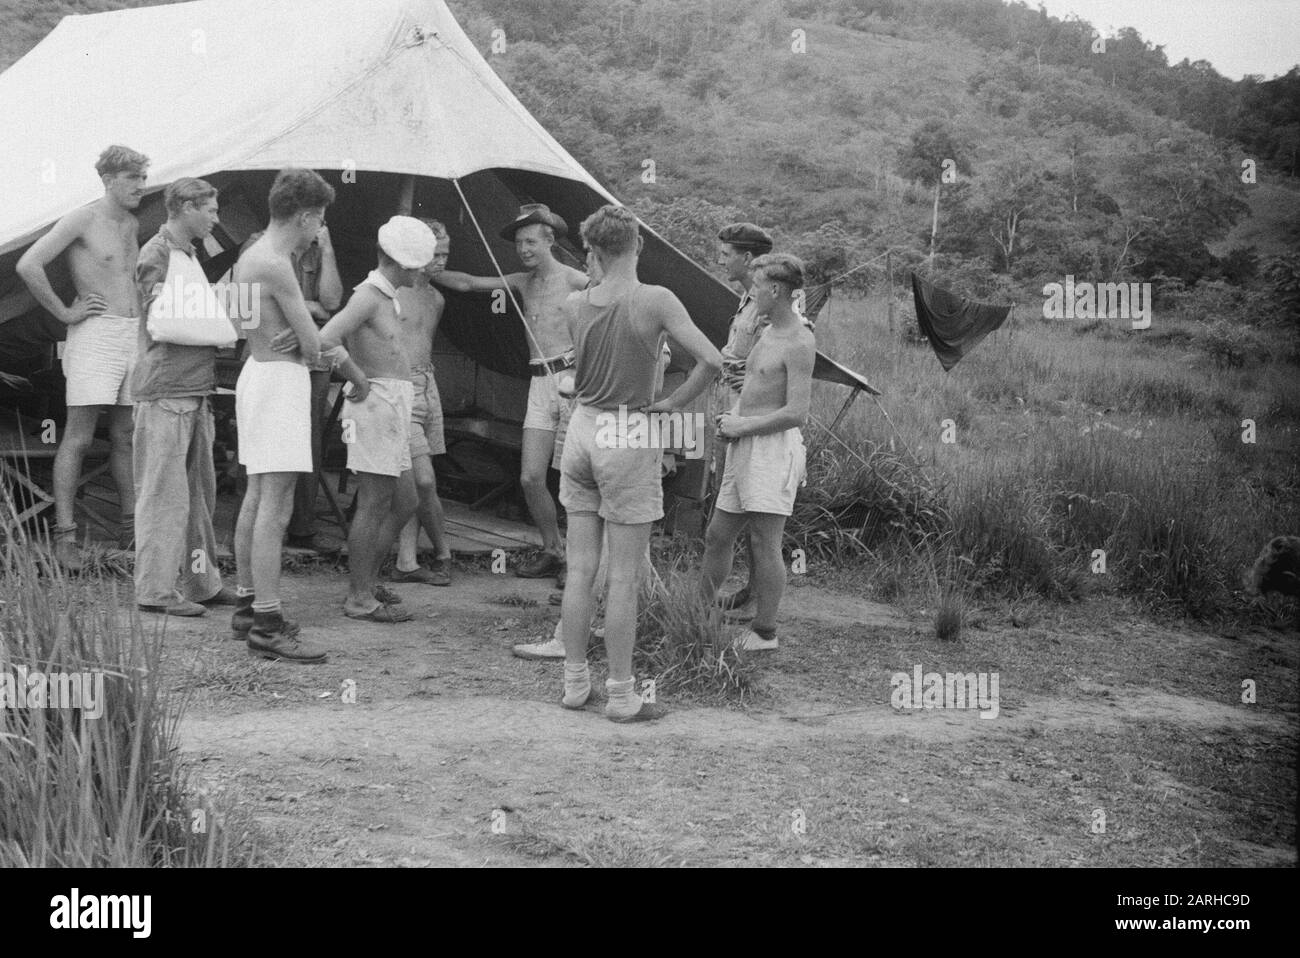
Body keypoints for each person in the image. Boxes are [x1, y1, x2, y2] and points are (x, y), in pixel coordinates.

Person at [557, 204, 721, 722]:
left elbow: (574, 372)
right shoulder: (654, 299)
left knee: (580, 568)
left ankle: (575, 683)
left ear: (595, 251)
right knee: (623, 576)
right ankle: (623, 694)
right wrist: (674, 405)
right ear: (637, 246)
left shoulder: (574, 303)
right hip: (627, 429)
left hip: (583, 427)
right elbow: (713, 361)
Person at [231, 168, 355, 663]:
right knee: (276, 506)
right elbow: (314, 346)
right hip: (279, 381)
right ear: (304, 216)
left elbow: (243, 320)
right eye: (319, 219)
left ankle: (246, 606)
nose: (319, 229)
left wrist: (299, 332)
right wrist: (309, 341)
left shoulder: (250, 256)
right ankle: (267, 621)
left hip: (256, 373)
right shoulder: (278, 264)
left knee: (258, 497)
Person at [432, 204, 587, 586]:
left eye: (531, 241)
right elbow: (469, 283)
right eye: (519, 243)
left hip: (572, 382)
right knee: (531, 477)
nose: (524, 249)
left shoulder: (577, 281)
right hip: (539, 382)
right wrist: (428, 271)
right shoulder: (522, 281)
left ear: (550, 240)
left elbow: (610, 315)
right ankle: (553, 550)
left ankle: (580, 563)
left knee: (574, 478)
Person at [16, 145, 149, 570]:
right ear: (109, 180)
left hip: (133, 334)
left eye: (144, 178)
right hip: (96, 333)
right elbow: (29, 264)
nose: (141, 187)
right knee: (78, 435)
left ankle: (132, 531)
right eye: (133, 179)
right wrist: (65, 313)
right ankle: (66, 537)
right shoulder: (82, 217)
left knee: (127, 435)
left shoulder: (131, 223)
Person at [317, 216, 437, 623]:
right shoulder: (368, 296)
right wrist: (357, 378)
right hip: (378, 403)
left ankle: (366, 578)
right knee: (373, 501)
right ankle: (359, 596)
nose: (420, 271)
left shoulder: (389, 296)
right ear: (399, 263)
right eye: (416, 265)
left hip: (394, 403)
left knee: (405, 499)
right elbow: (326, 339)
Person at [131, 177, 238, 616]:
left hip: (194, 389)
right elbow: (160, 322)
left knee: (198, 495)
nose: (215, 218)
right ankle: (155, 590)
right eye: (210, 210)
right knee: (163, 494)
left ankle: (200, 582)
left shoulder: (187, 255)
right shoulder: (157, 253)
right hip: (167, 391)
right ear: (187, 207)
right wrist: (222, 331)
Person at [699, 254, 815, 651]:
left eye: (758, 285)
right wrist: (733, 418)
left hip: (771, 450)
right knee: (718, 534)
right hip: (743, 442)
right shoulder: (766, 329)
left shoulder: (800, 341)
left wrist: (743, 426)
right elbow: (758, 386)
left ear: (776, 290)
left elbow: (797, 412)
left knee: (765, 541)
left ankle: (766, 632)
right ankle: (700, 614)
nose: (752, 292)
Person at [241, 221, 342, 551]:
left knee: (307, 441)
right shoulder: (258, 247)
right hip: (271, 356)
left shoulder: (317, 249)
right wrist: (303, 311)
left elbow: (332, 301)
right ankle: (260, 535)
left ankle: (302, 526)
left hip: (311, 358)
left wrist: (327, 249)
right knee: (263, 451)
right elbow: (244, 308)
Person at [710, 222, 775, 617]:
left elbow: (775, 358)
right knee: (731, 504)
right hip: (732, 411)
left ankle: (757, 603)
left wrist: (744, 372)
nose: (720, 260)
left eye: (726, 253)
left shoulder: (769, 304)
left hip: (751, 417)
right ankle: (749, 592)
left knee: (752, 510)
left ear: (747, 258)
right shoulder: (747, 301)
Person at [388, 218, 453, 587]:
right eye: (435, 254)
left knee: (414, 476)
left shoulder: (436, 297)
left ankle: (406, 560)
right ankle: (444, 553)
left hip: (429, 383)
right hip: (401, 383)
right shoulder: (394, 292)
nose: (440, 261)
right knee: (423, 479)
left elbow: (424, 339)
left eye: (445, 254)